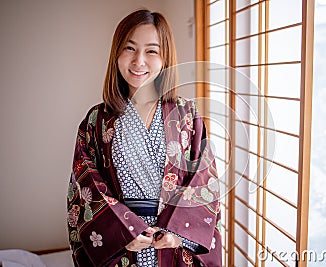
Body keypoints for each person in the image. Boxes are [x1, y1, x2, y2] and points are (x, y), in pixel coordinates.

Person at [66, 9, 222, 267]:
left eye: (151, 51)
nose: (139, 61)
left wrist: (178, 233)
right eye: (129, 48)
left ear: (165, 58)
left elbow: (204, 180)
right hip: (122, 245)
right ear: (116, 54)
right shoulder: (97, 120)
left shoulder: (186, 115)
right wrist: (122, 231)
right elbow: (84, 183)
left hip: (172, 243)